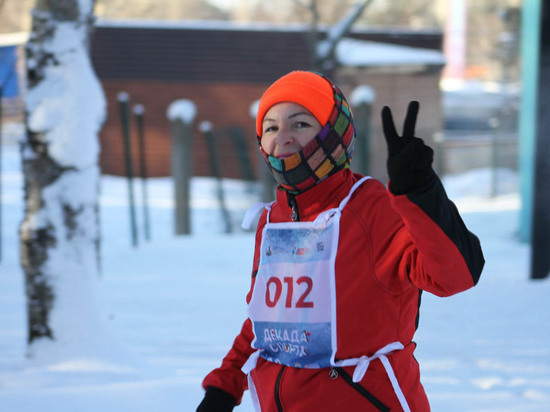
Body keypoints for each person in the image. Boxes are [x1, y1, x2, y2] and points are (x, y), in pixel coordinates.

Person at [196, 70, 484, 412]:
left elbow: (456, 276)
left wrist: (421, 190)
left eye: (300, 124)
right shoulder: (273, 219)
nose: (282, 138)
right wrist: (225, 386)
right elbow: (270, 321)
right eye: (271, 127)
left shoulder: (372, 208)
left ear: (334, 135)